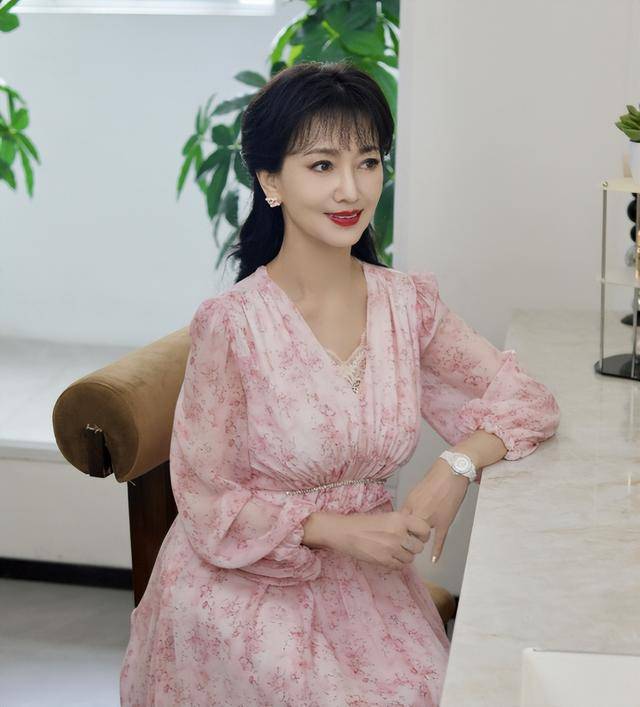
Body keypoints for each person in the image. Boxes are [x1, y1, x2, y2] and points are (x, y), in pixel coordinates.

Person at [119, 61, 561, 706]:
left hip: (369, 584)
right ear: (271, 180)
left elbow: (528, 401)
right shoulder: (233, 324)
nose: (351, 189)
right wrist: (332, 529)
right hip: (245, 592)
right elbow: (208, 498)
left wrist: (456, 467)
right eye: (322, 165)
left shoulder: (407, 306)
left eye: (369, 162)